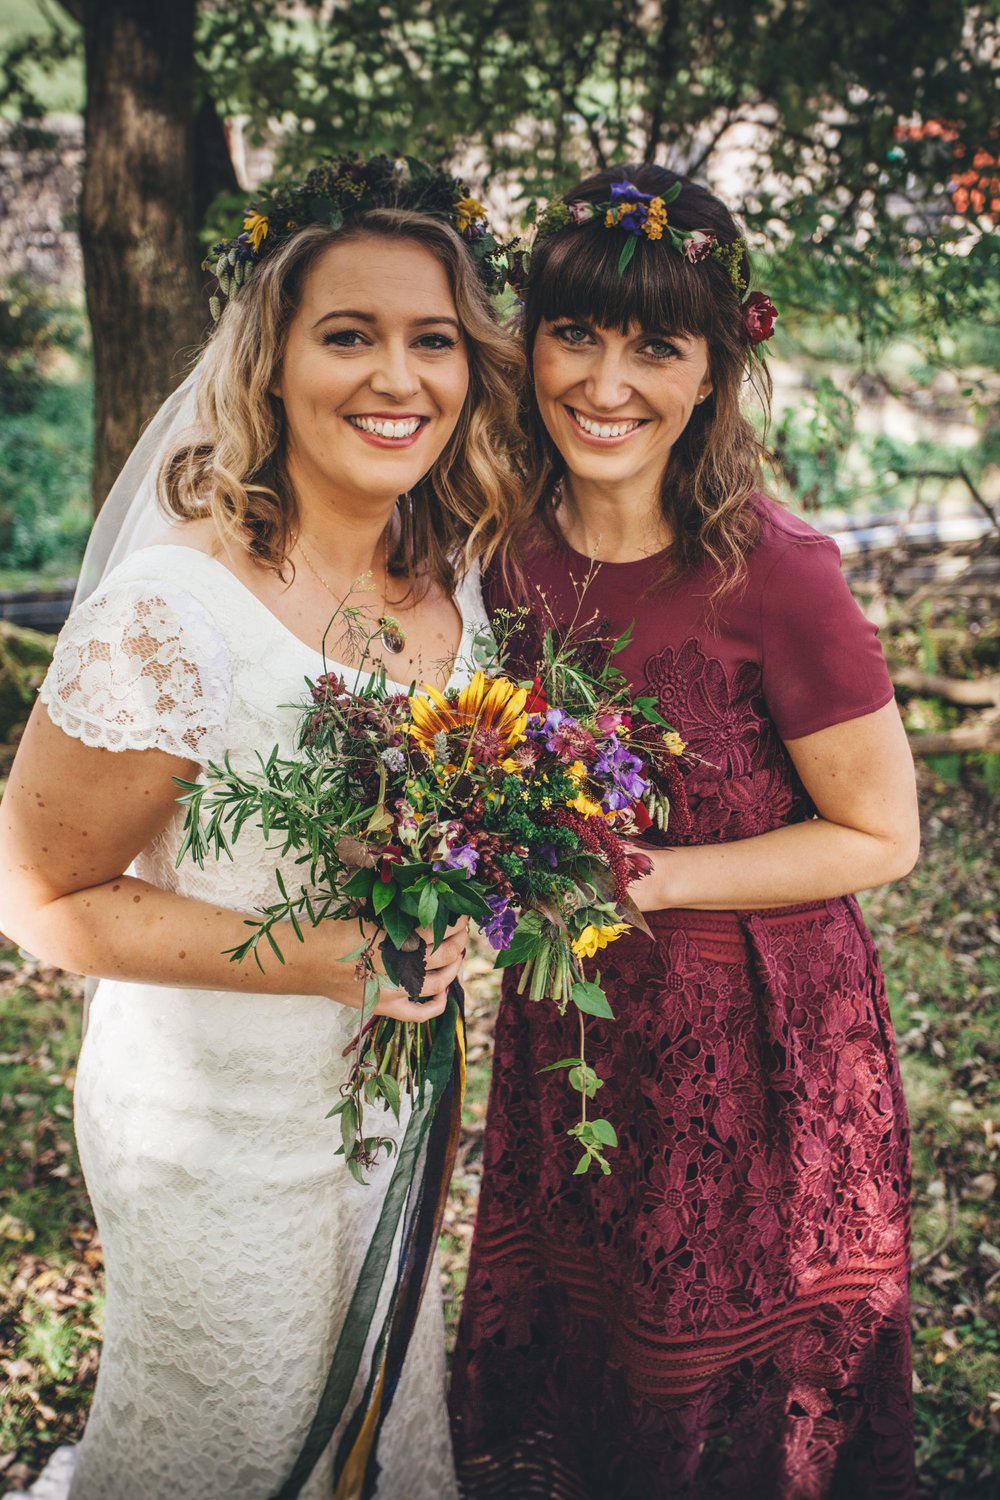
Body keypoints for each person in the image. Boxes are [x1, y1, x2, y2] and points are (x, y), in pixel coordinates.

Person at [0, 156, 522, 1500]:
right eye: (347, 335)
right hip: (209, 1128)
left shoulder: (460, 589)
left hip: (388, 1118)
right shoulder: (175, 606)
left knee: (375, 1442)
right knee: (224, 1450)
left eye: (435, 341)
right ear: (271, 359)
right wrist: (342, 957)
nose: (396, 379)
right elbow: (40, 897)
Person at [450, 165, 919, 1498]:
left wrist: (643, 876)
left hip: (758, 1048)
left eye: (657, 346)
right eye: (576, 333)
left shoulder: (779, 576)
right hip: (581, 1028)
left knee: (726, 1392)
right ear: (528, 344)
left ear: (713, 370)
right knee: (599, 1348)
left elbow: (881, 837)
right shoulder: (503, 560)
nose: (607, 383)